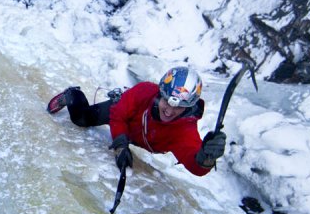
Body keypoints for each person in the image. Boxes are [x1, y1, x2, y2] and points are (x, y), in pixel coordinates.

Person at [47, 66, 227, 177]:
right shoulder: (144, 91)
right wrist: (120, 145)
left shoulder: (184, 130)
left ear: (188, 108)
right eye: (166, 101)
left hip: (137, 133)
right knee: (81, 119)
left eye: (179, 107)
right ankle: (71, 94)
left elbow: (195, 165)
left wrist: (206, 159)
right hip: (124, 115)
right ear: (160, 94)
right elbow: (117, 115)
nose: (169, 110)